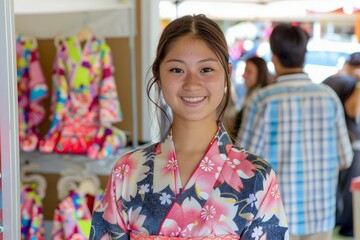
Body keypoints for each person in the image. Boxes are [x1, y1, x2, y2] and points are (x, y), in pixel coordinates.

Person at [90, 14, 289, 239]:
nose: (192, 83)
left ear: (227, 74)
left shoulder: (257, 177)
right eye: (177, 70)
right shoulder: (127, 171)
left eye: (206, 70)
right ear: (158, 75)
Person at [236, 23, 353, 240]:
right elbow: (345, 158)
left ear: (274, 57)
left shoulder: (262, 100)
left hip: (275, 215)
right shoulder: (329, 98)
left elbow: (244, 162)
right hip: (321, 214)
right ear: (304, 55)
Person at [322, 52, 360, 237]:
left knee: (336, 188)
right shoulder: (350, 83)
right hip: (350, 144)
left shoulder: (329, 81)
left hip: (329, 144)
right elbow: (353, 110)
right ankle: (348, 228)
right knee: (350, 190)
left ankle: (338, 221)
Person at [231, 56, 273, 140]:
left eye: (249, 72)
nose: (243, 75)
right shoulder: (254, 97)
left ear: (260, 74)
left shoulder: (258, 100)